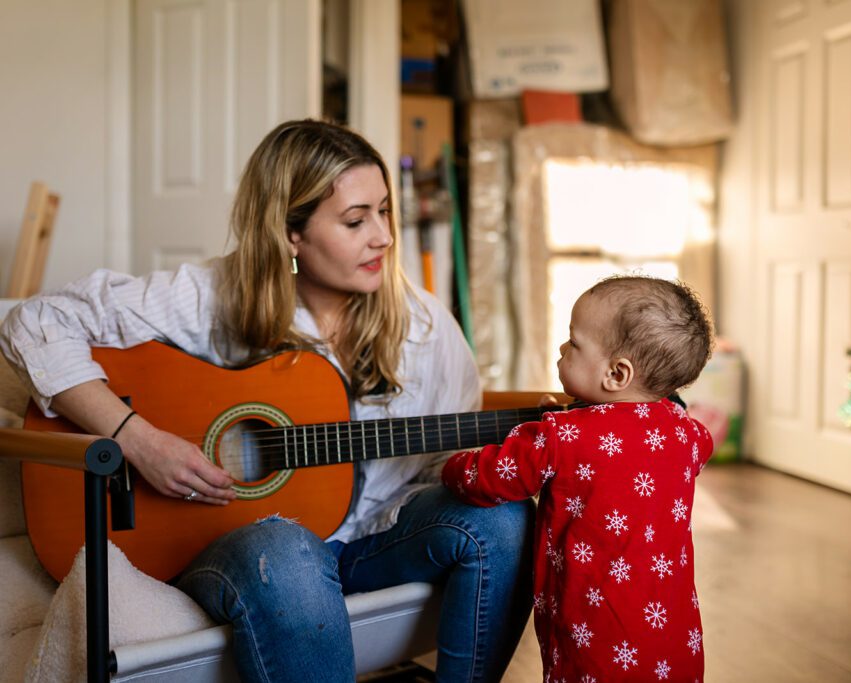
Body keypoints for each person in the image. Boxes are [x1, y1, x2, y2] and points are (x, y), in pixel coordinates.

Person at [0, 119, 533, 683]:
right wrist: (138, 439)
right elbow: (34, 322)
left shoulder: (424, 326)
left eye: (384, 212)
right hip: (251, 555)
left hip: (376, 538)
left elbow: (437, 472)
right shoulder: (212, 296)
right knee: (287, 549)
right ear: (289, 234)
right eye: (355, 220)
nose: (382, 236)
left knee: (502, 516)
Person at [442, 275, 715, 682]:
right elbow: (689, 446)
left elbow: (490, 478)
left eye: (574, 343)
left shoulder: (560, 437)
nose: (562, 348)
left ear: (617, 375)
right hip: (673, 639)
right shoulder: (685, 432)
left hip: (596, 638)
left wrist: (452, 465)